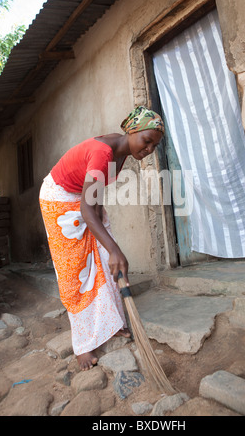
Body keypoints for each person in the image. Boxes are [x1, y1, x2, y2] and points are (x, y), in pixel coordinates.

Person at [39, 106, 164, 371]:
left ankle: (111, 323)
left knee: (104, 256)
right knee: (75, 270)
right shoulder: (102, 153)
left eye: (155, 145)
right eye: (147, 140)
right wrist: (115, 248)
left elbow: (93, 198)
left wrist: (108, 244)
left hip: (82, 200)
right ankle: (83, 344)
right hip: (59, 198)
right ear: (132, 131)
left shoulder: (121, 155)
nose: (150, 149)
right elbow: (86, 209)